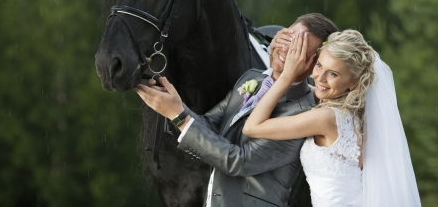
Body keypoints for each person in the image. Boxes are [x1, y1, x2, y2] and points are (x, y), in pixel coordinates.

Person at [133, 13, 339, 207]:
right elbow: (211, 126)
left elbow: (239, 161)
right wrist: (173, 103)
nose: (286, 49)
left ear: (315, 64)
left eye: (299, 50)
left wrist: (178, 115)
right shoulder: (252, 77)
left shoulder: (303, 112)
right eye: (288, 38)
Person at [243, 30, 422, 207]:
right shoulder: (357, 113)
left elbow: (252, 127)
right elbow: (308, 90)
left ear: (353, 82)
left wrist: (287, 76)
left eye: (333, 74)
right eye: (319, 65)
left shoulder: (326, 118)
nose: (319, 78)